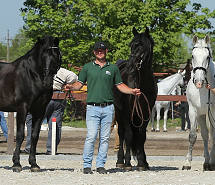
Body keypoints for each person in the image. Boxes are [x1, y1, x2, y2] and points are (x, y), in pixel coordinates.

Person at [68, 41, 141, 174]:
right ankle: (87, 165)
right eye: (97, 50)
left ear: (106, 51)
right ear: (94, 52)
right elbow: (79, 84)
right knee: (91, 136)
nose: (99, 52)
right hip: (92, 108)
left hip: (108, 108)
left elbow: (120, 85)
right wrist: (71, 87)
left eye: (102, 50)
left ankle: (101, 164)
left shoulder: (113, 69)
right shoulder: (87, 67)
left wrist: (131, 91)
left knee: (105, 138)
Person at [25, 66, 79, 154]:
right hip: (58, 96)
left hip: (43, 96)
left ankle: (30, 148)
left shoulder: (38, 69)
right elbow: (74, 77)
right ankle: (51, 149)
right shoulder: (61, 70)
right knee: (55, 123)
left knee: (33, 122)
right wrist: (66, 84)